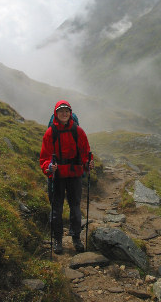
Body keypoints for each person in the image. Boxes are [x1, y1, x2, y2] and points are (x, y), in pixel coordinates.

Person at [40, 100, 94, 254]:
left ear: (70, 113)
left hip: (74, 174)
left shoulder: (78, 132)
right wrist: (49, 167)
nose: (64, 114)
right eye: (61, 111)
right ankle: (57, 239)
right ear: (56, 114)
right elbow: (44, 158)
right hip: (56, 176)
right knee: (56, 209)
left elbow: (85, 153)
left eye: (66, 111)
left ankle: (75, 237)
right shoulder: (50, 133)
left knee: (75, 207)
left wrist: (88, 163)